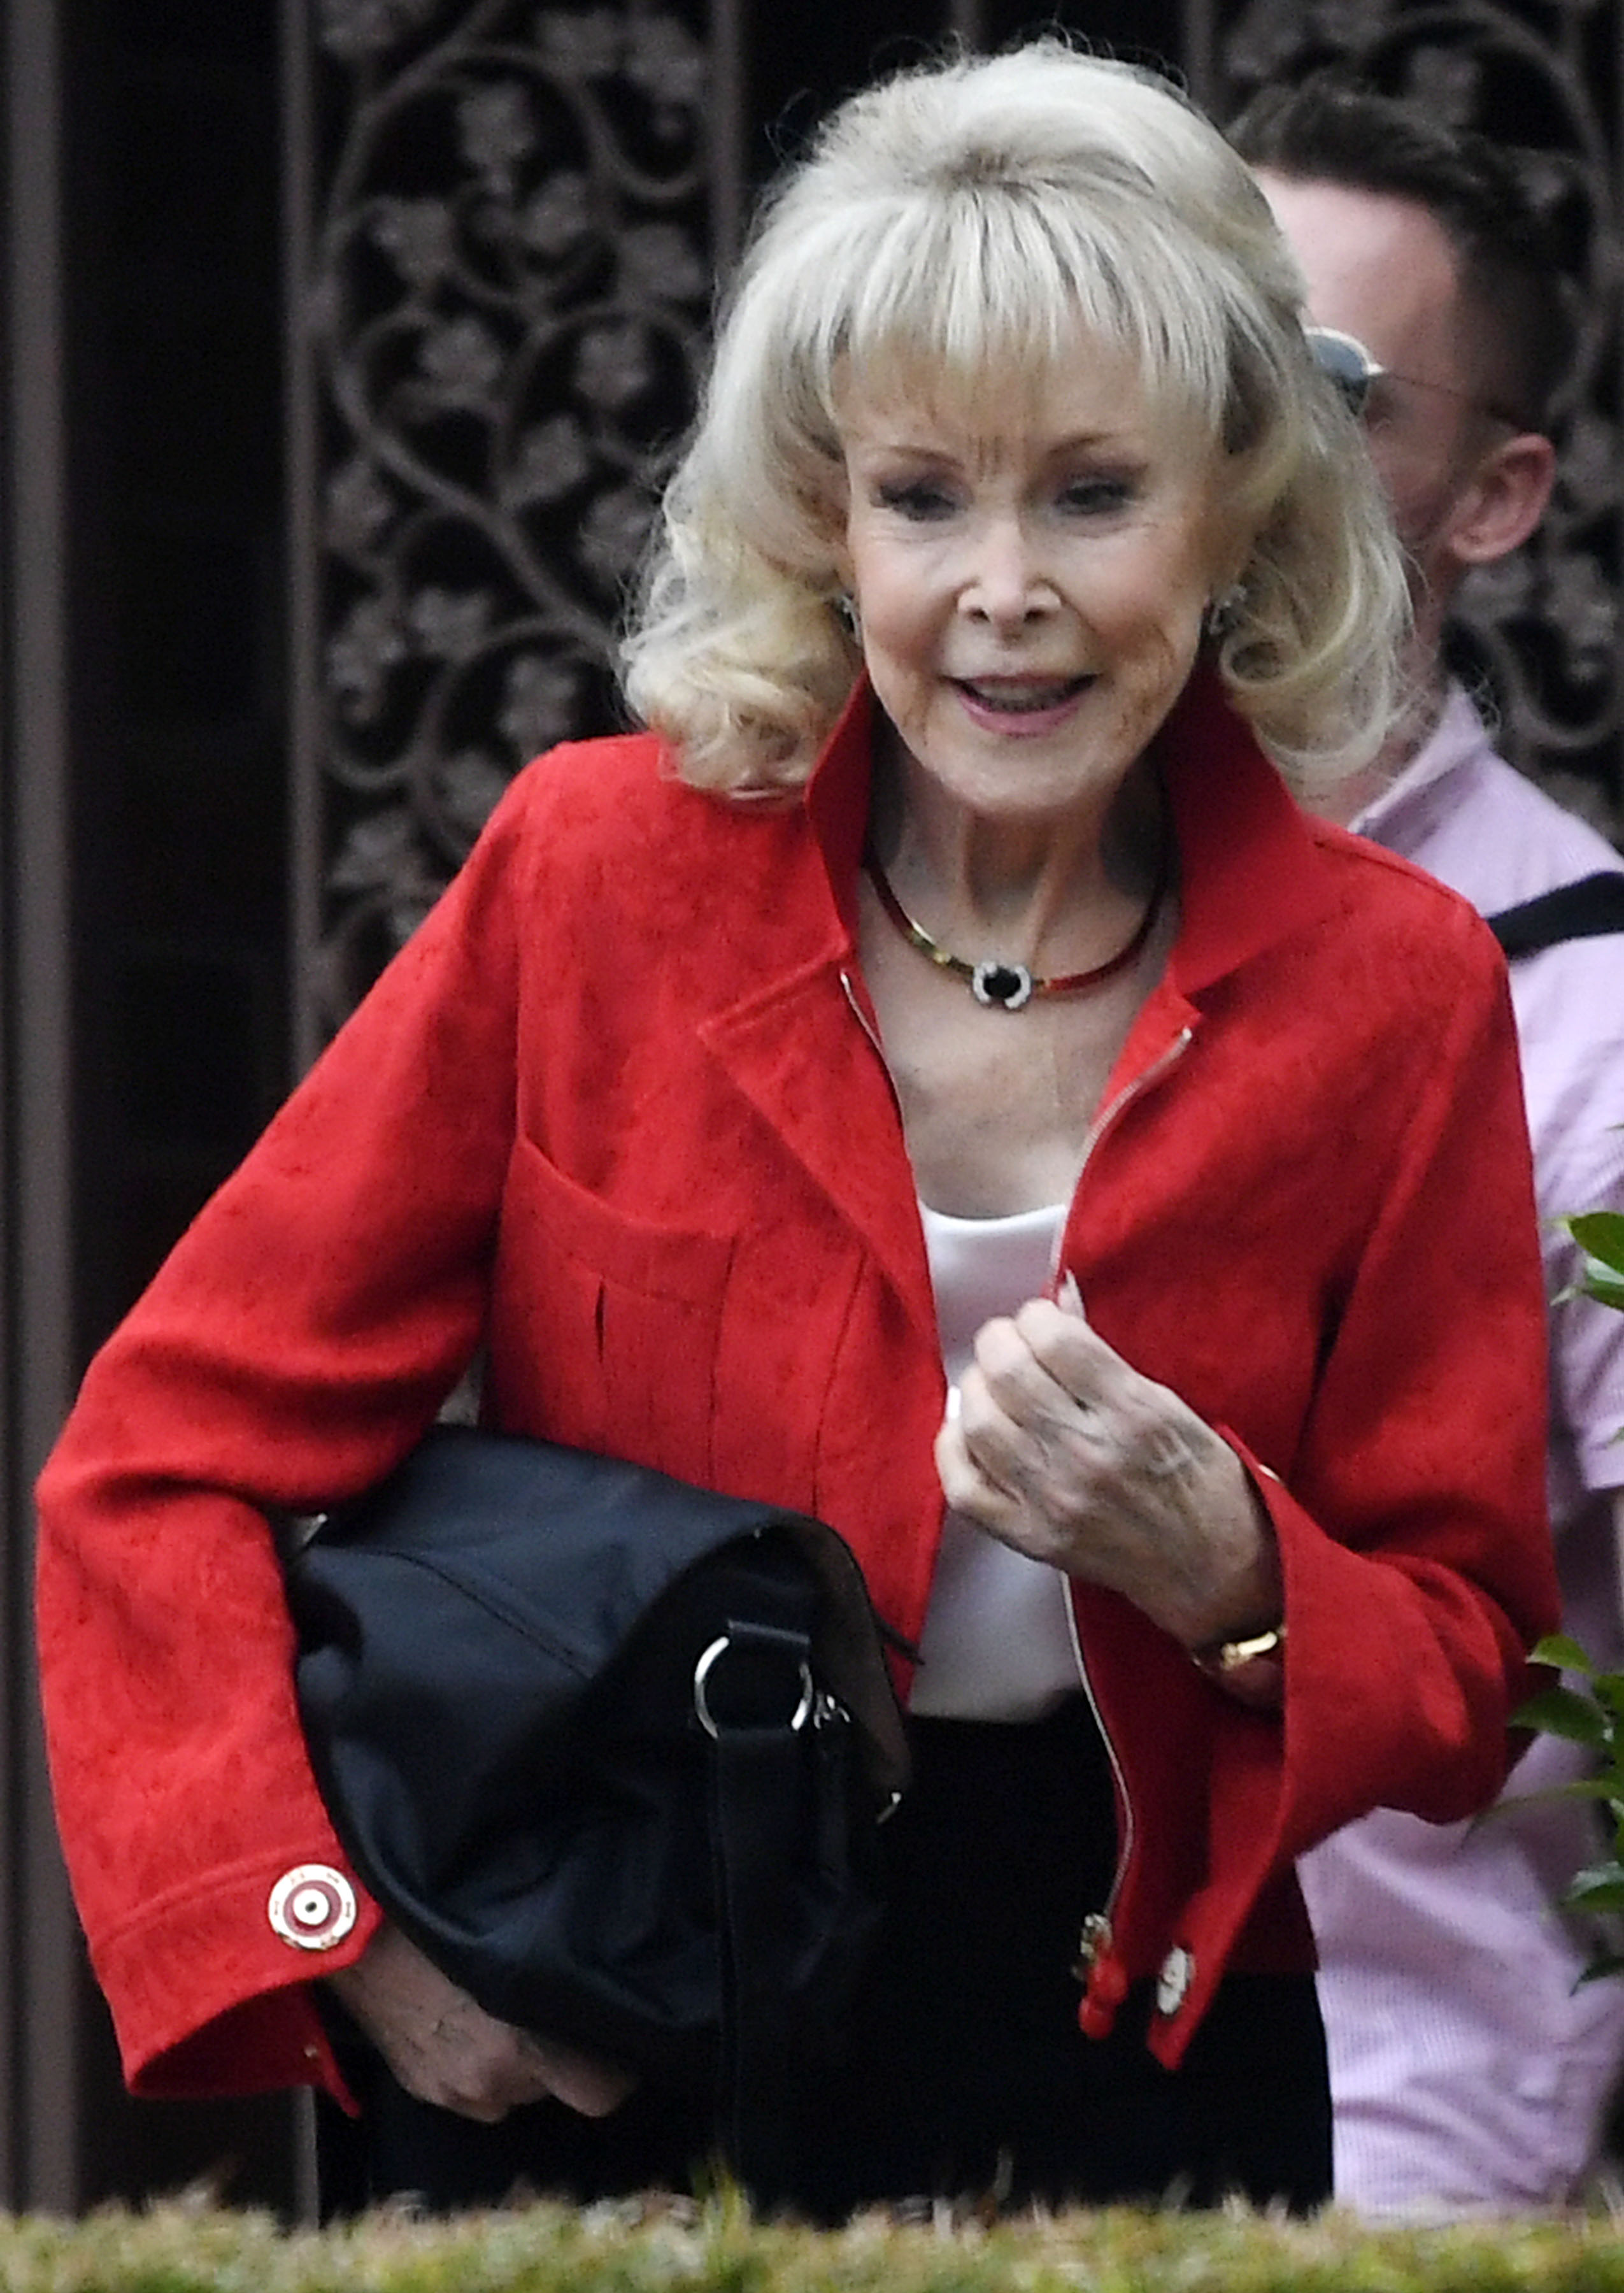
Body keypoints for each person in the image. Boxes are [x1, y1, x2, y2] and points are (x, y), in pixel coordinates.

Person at [36, 41, 1558, 2222]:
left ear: (1237, 507)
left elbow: (1467, 1665)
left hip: (1133, 2062)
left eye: (1092, 494)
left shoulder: (1397, 988)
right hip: (605, 2015)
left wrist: (1233, 1568)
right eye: (923, 494)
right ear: (824, 521)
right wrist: (331, 1937)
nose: (998, 589)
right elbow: (160, 1467)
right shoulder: (593, 877)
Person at [1230, 75, 1624, 2215]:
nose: (1237, 449)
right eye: (1193, 353)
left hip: (1384, 2167)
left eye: (1323, 388)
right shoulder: (951, 917)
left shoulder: (1594, 1018)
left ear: (1496, 495)